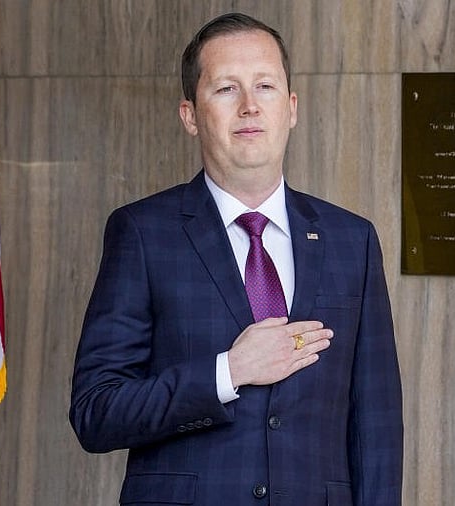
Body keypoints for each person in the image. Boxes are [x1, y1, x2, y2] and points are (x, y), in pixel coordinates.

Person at [69, 12, 403, 506]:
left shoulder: (352, 240)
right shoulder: (142, 233)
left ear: (290, 108)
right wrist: (228, 371)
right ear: (190, 115)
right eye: (226, 89)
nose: (250, 106)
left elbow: (376, 425)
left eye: (265, 86)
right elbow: (97, 412)